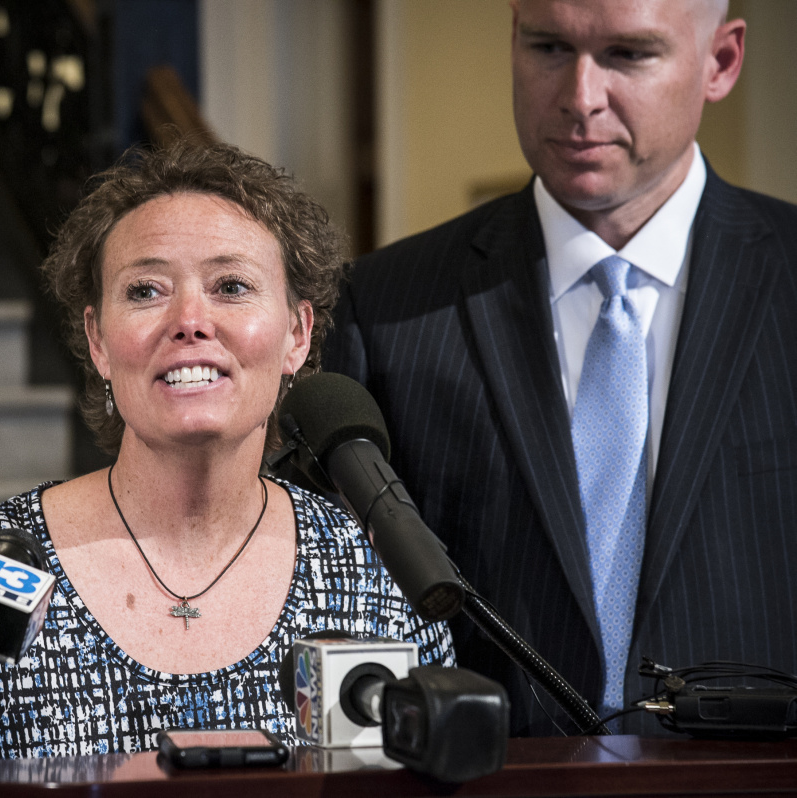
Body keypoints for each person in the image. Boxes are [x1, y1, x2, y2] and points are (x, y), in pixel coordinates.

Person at [0, 142, 454, 795]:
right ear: (98, 341)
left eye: (231, 286)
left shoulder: (377, 573)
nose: (189, 321)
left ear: (297, 334)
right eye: (146, 291)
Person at [323, 0, 797, 737]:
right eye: (548, 47)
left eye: (628, 55)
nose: (579, 97)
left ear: (721, 63)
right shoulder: (385, 305)